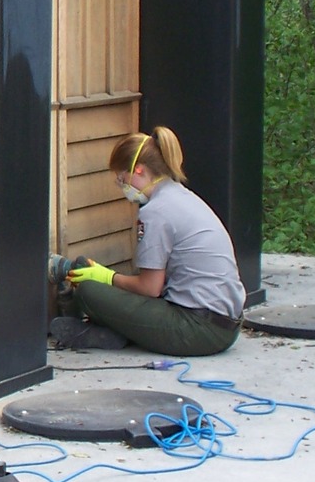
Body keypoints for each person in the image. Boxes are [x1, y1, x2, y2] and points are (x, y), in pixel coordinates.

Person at [53, 126, 243, 356]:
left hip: (199, 331)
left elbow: (150, 288)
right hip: (224, 325)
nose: (121, 186)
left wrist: (107, 277)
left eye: (122, 178)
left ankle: (97, 326)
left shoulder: (156, 212)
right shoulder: (180, 195)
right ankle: (108, 331)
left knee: (88, 291)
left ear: (139, 170)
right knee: (85, 268)